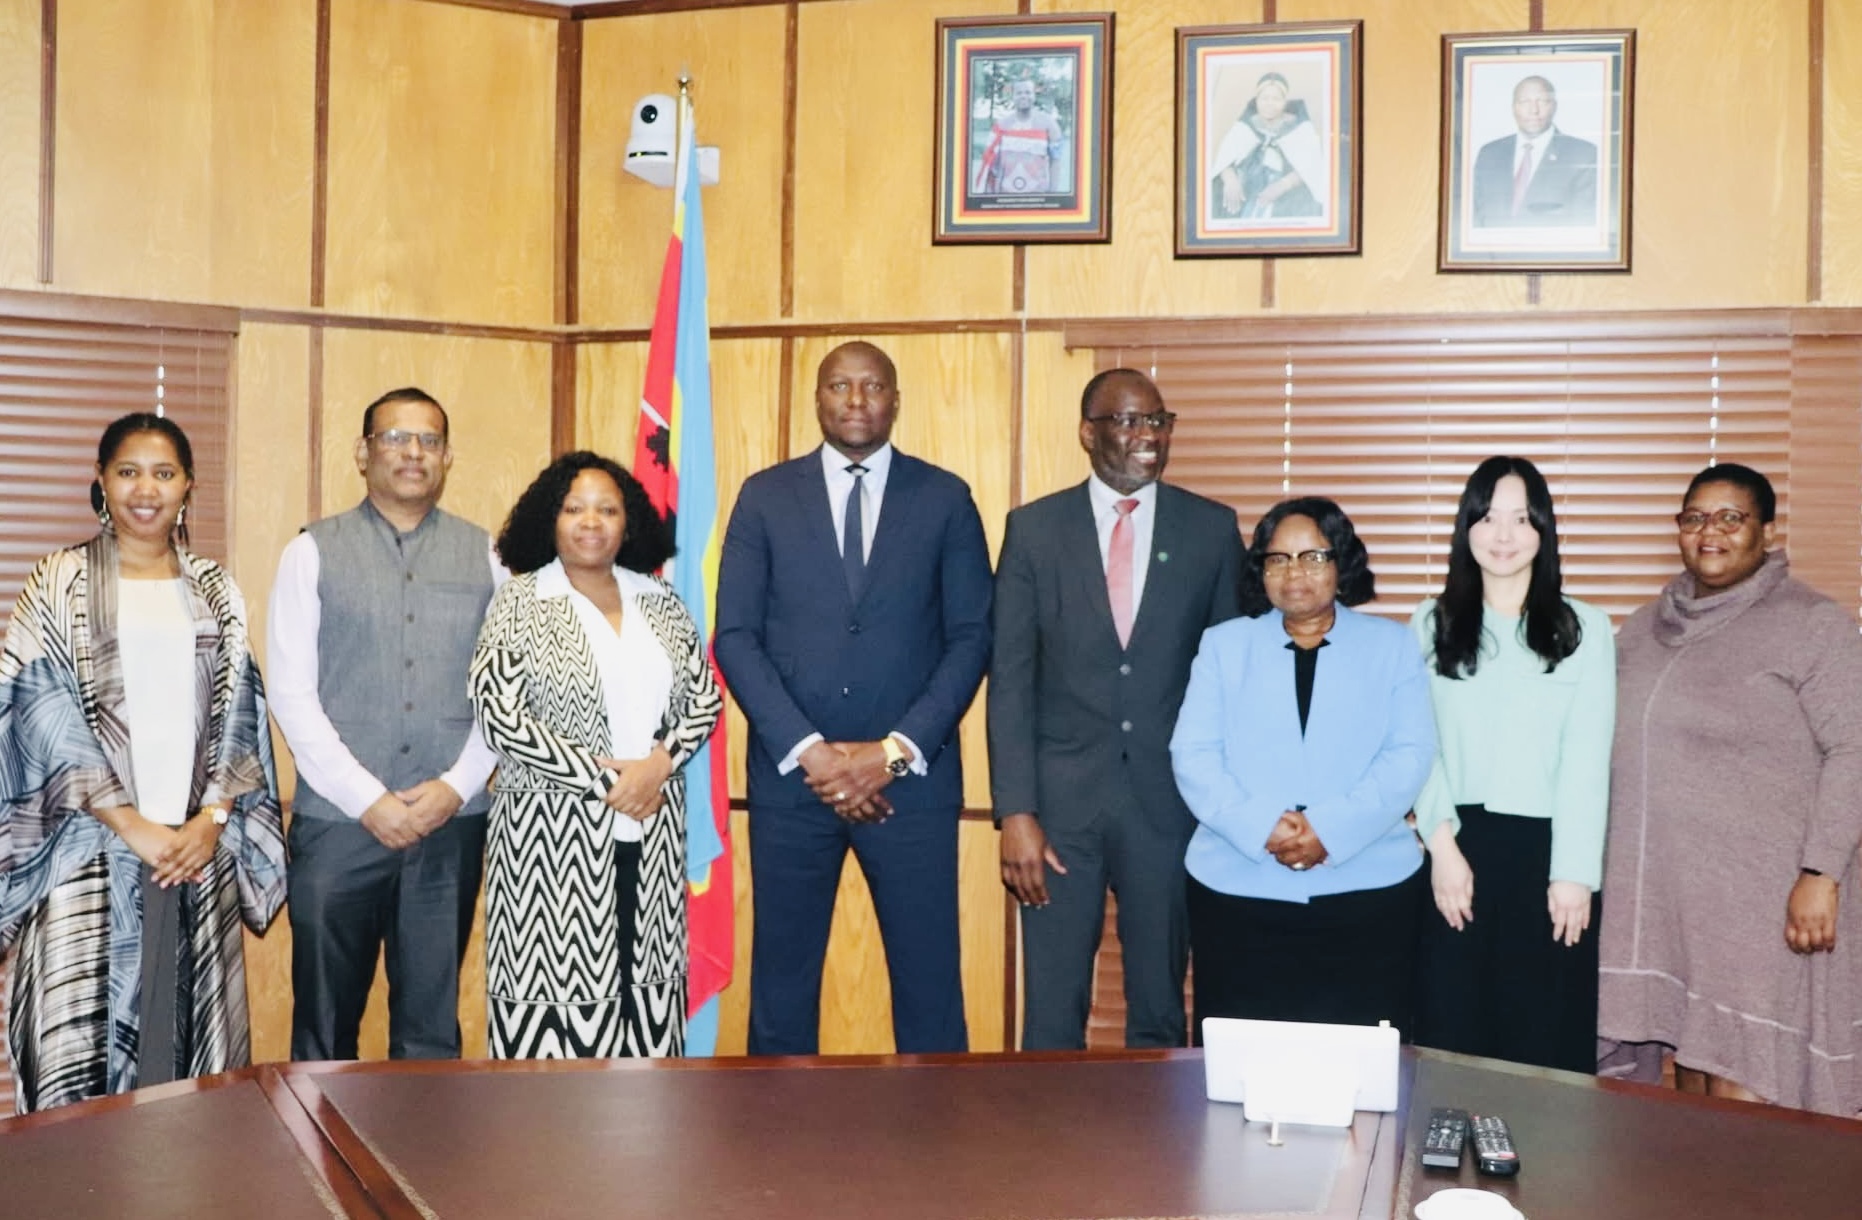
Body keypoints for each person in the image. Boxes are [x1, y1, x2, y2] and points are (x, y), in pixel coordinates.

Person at [0, 414, 286, 1114]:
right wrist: (130, 823)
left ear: (188, 485)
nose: (146, 489)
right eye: (128, 472)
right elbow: (41, 709)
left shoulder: (213, 588)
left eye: (164, 473)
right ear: (100, 482)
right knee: (75, 1060)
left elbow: (240, 713)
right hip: (87, 851)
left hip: (195, 851)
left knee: (188, 1070)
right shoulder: (60, 579)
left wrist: (212, 821)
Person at [715, 340, 993, 1055]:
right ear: (818, 399)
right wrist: (815, 756)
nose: (857, 399)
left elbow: (971, 638)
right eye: (841, 385)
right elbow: (736, 637)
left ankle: (936, 1127)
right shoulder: (765, 497)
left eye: (873, 386)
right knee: (781, 992)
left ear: (896, 400)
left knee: (930, 992)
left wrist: (891, 754)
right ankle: (780, 1127)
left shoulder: (945, 498)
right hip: (793, 786)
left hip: (911, 789)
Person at [988, 368, 1243, 1050]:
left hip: (1170, 808)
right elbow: (1010, 680)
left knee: (1160, 1011)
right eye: (1128, 421)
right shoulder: (1033, 530)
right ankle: (1049, 1126)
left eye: (1157, 421)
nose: (1147, 435)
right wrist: (1016, 813)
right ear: (1087, 432)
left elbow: (1232, 680)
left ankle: (1156, 1128)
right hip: (1058, 813)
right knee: (1052, 1014)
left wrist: (1226, 805)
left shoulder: (1210, 529)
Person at [1599, 463, 1862, 1116]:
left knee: (1749, 1081)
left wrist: (1821, 873)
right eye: (1694, 518)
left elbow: (1855, 748)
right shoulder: (1643, 629)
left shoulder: (1813, 625)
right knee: (1690, 1069)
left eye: (1730, 518)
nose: (1708, 531)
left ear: (1766, 532)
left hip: (1766, 903)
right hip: (1669, 901)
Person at [268, 387, 498, 1062]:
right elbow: (290, 692)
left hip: (449, 823)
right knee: (324, 1027)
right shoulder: (311, 551)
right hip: (339, 825)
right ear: (363, 453)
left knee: (430, 1033)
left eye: (429, 440)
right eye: (396, 437)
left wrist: (456, 787)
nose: (413, 452)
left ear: (447, 457)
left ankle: (422, 1139)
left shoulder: (489, 554)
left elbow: (503, 692)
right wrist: (367, 798)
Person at [469, 453, 721, 1058]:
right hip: (550, 846)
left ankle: (642, 1124)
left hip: (652, 833)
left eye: (607, 509)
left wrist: (658, 766)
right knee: (553, 1016)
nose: (591, 522)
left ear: (628, 522)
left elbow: (704, 697)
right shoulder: (521, 600)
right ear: (550, 519)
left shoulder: (659, 598)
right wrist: (608, 783)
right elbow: (500, 715)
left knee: (645, 1006)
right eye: (574, 508)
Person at [1169, 497, 1434, 1039]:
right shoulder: (1224, 647)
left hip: (1367, 892)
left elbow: (1408, 754)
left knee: (1359, 1066)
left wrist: (1328, 831)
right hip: (1238, 890)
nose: (1295, 573)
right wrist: (1264, 826)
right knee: (1244, 1066)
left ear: (1342, 563)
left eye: (1313, 557)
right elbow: (1193, 754)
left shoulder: (1392, 645)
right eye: (1278, 559)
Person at [1410, 457, 1615, 1073]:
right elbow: (1417, 745)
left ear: (1543, 530)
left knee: (1543, 1036)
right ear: (1466, 528)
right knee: (1452, 1032)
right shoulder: (1431, 622)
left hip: (1548, 854)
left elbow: (1588, 756)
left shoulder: (1585, 627)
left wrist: (1574, 873)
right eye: (1488, 518)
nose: (1503, 536)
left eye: (1521, 519)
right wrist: (1441, 846)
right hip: (1456, 849)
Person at [1470, 75, 1598, 228]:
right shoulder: (1489, 154)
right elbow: (1473, 216)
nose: (1534, 110)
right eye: (1525, 102)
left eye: (1542, 101)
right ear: (1513, 107)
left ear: (1554, 106)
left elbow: (1584, 223)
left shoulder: (1583, 155)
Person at [1210, 72, 1326, 221]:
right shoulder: (1245, 126)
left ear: (1284, 101)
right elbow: (1224, 159)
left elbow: (1311, 168)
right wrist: (1230, 180)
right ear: (1257, 100)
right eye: (1264, 98)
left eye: (1276, 99)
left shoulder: (1300, 129)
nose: (1269, 104)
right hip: (1246, 186)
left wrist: (1283, 185)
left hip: (1286, 191)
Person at [973, 76, 1067, 195]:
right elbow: (989, 163)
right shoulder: (1001, 125)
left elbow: (1056, 161)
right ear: (1013, 96)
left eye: (1028, 92)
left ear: (1034, 95)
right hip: (1005, 196)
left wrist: (1052, 193)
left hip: (1037, 195)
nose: (1023, 96)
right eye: (1019, 93)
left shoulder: (1049, 125)